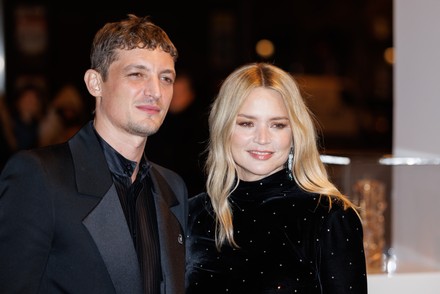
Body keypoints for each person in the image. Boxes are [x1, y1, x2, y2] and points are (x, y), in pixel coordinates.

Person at [0, 14, 188, 294]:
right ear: (95, 83)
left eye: (166, 78)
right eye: (137, 74)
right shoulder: (39, 177)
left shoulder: (172, 187)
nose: (156, 92)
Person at [185, 62, 367, 293]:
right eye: (247, 123)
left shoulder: (329, 216)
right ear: (224, 127)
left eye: (277, 125)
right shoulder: (193, 214)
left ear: (295, 133)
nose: (262, 138)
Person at [146, 68, 207, 196]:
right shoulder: (153, 122)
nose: (175, 98)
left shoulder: (200, 127)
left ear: (191, 95)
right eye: (173, 93)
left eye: (181, 93)